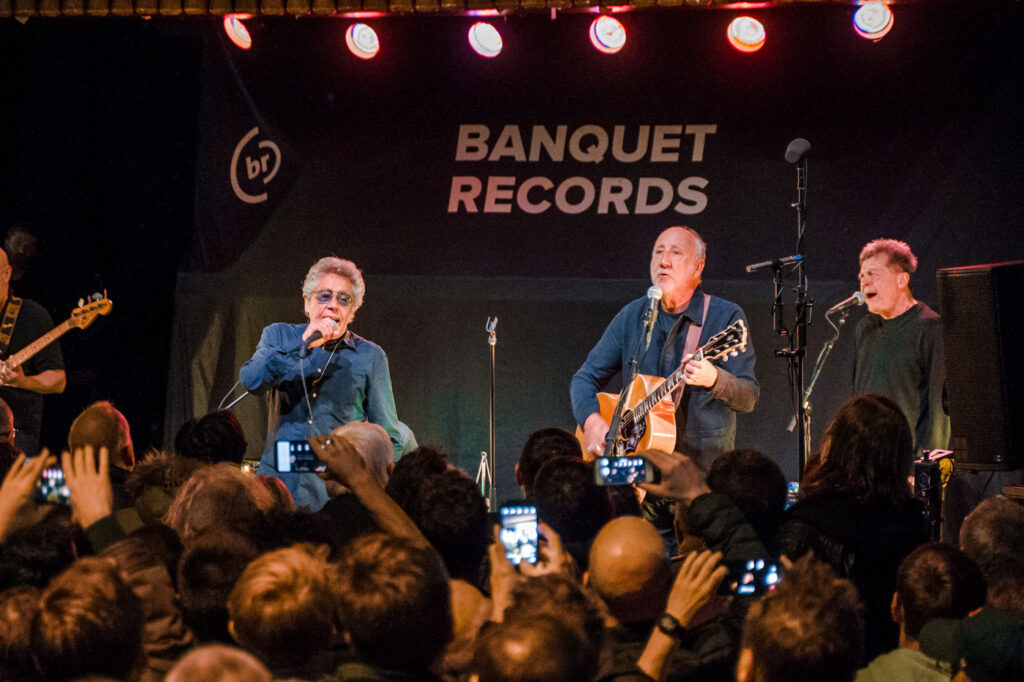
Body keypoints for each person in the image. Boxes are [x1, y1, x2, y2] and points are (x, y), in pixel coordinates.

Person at [570, 226, 758, 473]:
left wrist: (714, 378)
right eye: (658, 252)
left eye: (676, 253)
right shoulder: (632, 316)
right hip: (638, 473)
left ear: (698, 267)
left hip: (700, 474)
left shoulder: (725, 316)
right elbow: (584, 379)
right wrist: (591, 421)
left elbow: (749, 397)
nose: (664, 261)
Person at [240, 256, 402, 511]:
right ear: (307, 302)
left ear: (353, 311)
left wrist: (369, 490)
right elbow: (251, 381)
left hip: (336, 495)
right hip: (278, 489)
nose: (333, 305)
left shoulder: (370, 356)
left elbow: (389, 436)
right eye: (324, 296)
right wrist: (303, 343)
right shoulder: (278, 336)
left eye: (343, 299)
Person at [854, 239, 948, 452]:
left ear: (902, 279)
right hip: (868, 457)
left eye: (873, 274)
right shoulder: (864, 328)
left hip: (909, 461)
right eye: (862, 276)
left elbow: (939, 408)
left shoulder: (930, 327)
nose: (864, 282)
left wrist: (926, 463)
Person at [0, 247, 66, 455]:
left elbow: (58, 380)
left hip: (16, 436)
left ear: (6, 274)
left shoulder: (32, 316)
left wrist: (23, 382)